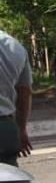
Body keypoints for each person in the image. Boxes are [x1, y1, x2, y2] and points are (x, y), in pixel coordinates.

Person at [0, 30, 33, 166]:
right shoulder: (15, 47)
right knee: (8, 181)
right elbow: (25, 93)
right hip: (4, 129)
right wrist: (21, 129)